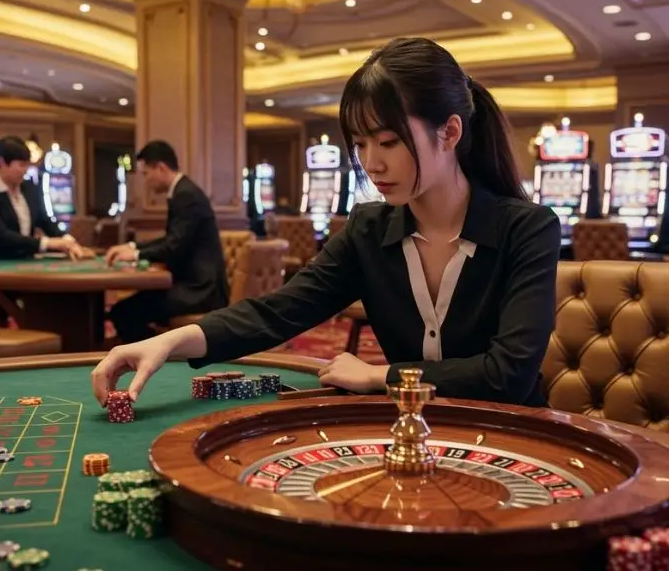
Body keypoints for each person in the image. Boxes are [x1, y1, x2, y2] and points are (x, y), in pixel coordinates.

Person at [91, 37, 561, 408]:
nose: (372, 163)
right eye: (360, 144)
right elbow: (277, 312)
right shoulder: (368, 229)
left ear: (450, 132)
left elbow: (508, 375)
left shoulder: (528, 228)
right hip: (407, 429)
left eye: (389, 141)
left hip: (512, 432)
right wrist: (169, 342)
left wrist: (380, 375)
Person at [104, 140, 229, 343]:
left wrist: (136, 254)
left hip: (201, 290)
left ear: (160, 168)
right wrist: (133, 246)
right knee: (127, 309)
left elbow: (174, 246)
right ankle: (161, 351)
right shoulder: (182, 191)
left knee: (123, 312)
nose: (145, 180)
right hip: (192, 285)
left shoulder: (186, 195)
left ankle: (165, 354)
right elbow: (173, 239)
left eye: (146, 174)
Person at [0, 136, 83, 260]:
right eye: (21, 165)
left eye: (27, 165)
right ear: (3, 163)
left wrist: (67, 240)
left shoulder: (29, 188)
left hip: (27, 260)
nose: (25, 170)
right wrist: (45, 243)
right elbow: (0, 235)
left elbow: (44, 220)